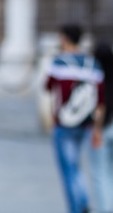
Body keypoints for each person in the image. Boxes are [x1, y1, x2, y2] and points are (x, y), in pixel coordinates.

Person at [45, 24, 104, 213]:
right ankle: (84, 200)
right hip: (85, 123)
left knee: (68, 169)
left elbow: (48, 87)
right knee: (77, 165)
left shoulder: (59, 62)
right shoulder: (92, 63)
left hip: (64, 122)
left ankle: (76, 208)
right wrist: (97, 127)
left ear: (64, 38)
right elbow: (99, 97)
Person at [90, 41, 113, 213]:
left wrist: (96, 129)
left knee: (100, 172)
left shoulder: (96, 77)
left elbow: (100, 106)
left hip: (104, 128)